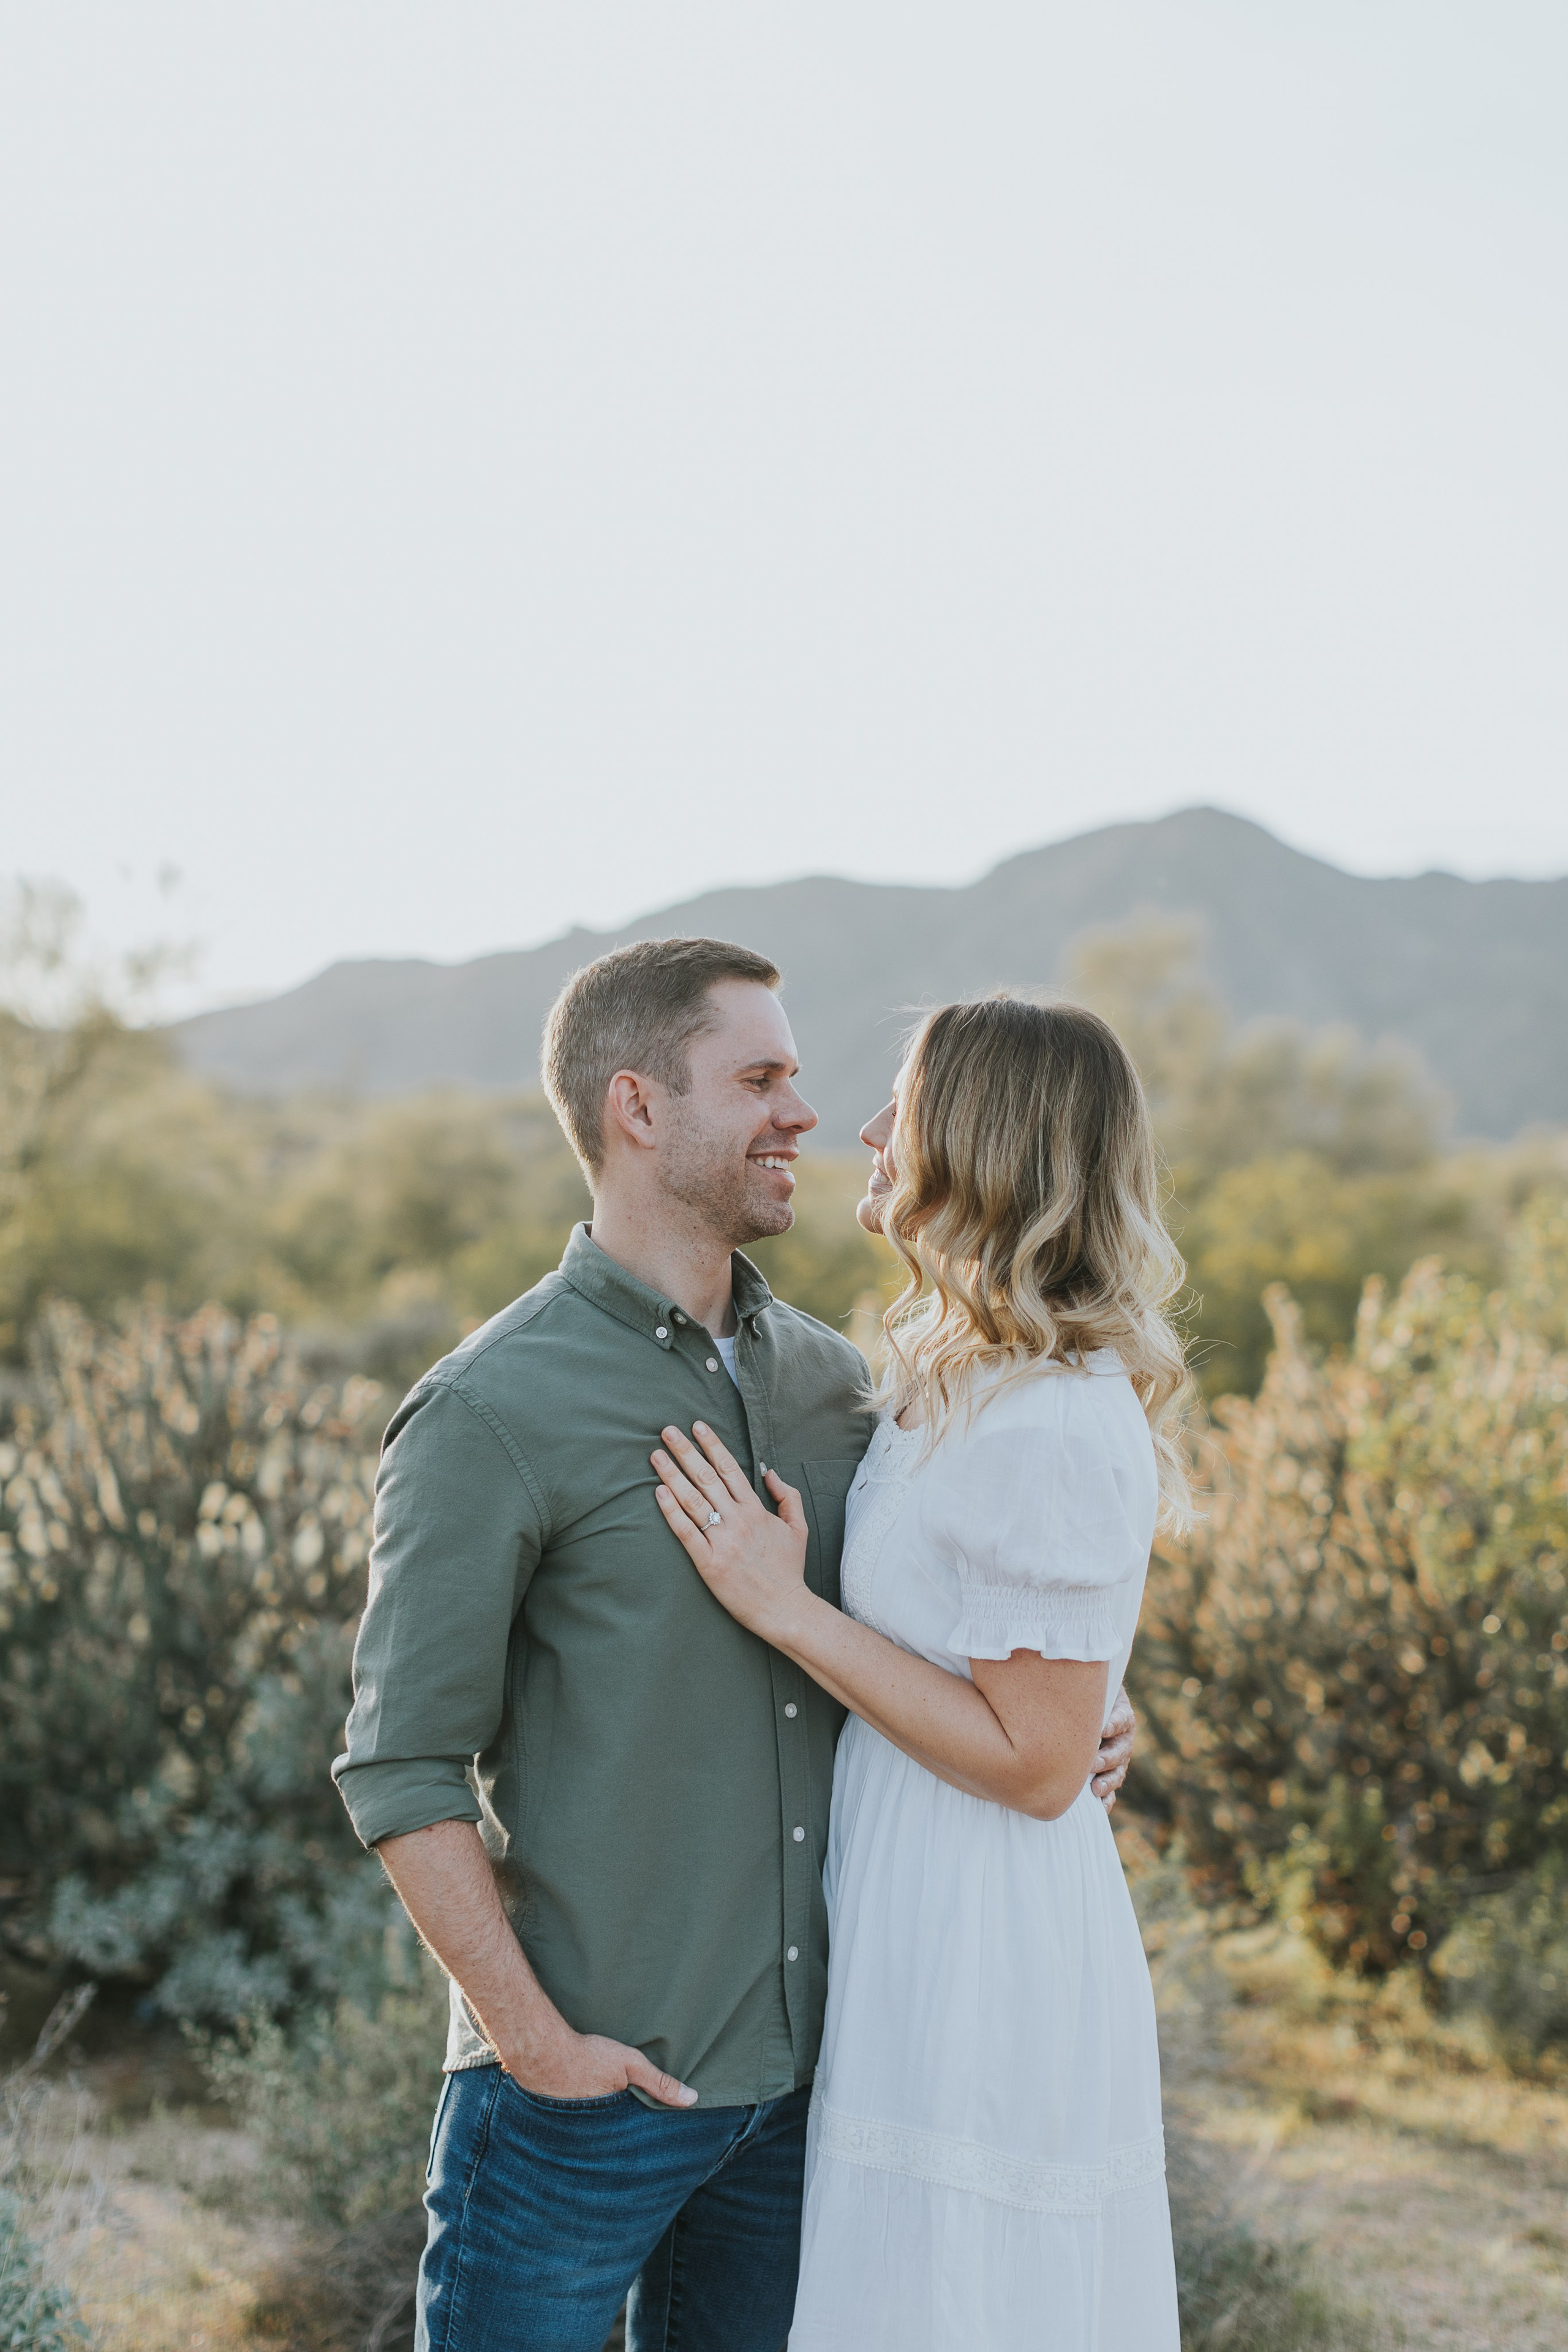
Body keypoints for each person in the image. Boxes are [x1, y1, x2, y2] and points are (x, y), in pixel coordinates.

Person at [333, 939, 1137, 2352]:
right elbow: (400, 1767)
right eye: (759, 1078)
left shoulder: (845, 1390)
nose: (803, 1115)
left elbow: (982, 1634)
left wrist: (1084, 1729)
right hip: (584, 2101)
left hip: (816, 2101)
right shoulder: (488, 1412)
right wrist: (533, 2047)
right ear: (637, 1110)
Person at [654, 993, 1183, 2351]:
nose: (873, 1130)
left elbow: (1035, 1762)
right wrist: (1087, 1704)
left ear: (986, 1147)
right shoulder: (963, 1377)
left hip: (984, 1943)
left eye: (908, 1102)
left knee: (956, 2299)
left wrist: (786, 1610)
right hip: (913, 1906)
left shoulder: (1052, 1413)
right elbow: (1024, 1674)